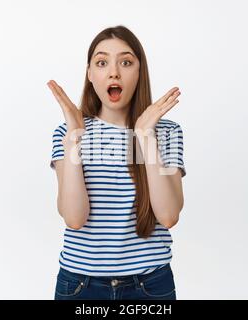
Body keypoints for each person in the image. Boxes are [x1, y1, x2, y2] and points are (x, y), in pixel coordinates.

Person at [47, 25, 186, 300]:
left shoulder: (166, 132)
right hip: (80, 286)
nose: (114, 72)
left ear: (139, 71)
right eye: (102, 62)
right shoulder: (67, 133)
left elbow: (169, 216)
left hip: (150, 286)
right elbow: (74, 219)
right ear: (90, 74)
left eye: (125, 62)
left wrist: (146, 137)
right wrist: (75, 140)